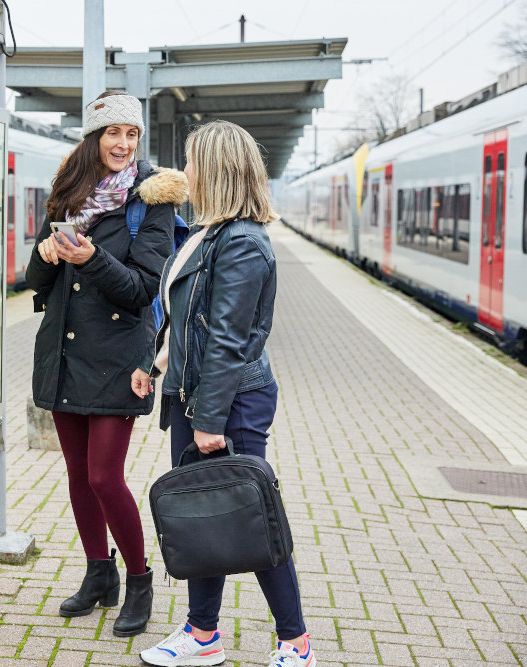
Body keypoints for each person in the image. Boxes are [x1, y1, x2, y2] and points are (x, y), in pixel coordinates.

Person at [132, 121, 316, 667]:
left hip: (229, 402)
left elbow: (230, 342)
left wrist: (210, 420)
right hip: (197, 395)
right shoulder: (209, 234)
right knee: (203, 514)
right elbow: (195, 321)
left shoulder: (243, 244)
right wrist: (157, 363)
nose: (183, 171)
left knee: (249, 515)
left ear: (215, 169)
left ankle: (295, 640)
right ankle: (203, 633)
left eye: (191, 161)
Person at [27, 91, 188, 637]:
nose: (123, 144)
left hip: (119, 357)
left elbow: (144, 291)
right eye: (113, 133)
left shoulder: (153, 201)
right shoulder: (68, 193)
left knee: (104, 475)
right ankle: (100, 575)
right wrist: (44, 253)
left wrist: (91, 259)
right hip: (65, 351)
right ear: (94, 137)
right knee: (76, 475)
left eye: (132, 135)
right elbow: (37, 284)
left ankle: (139, 578)